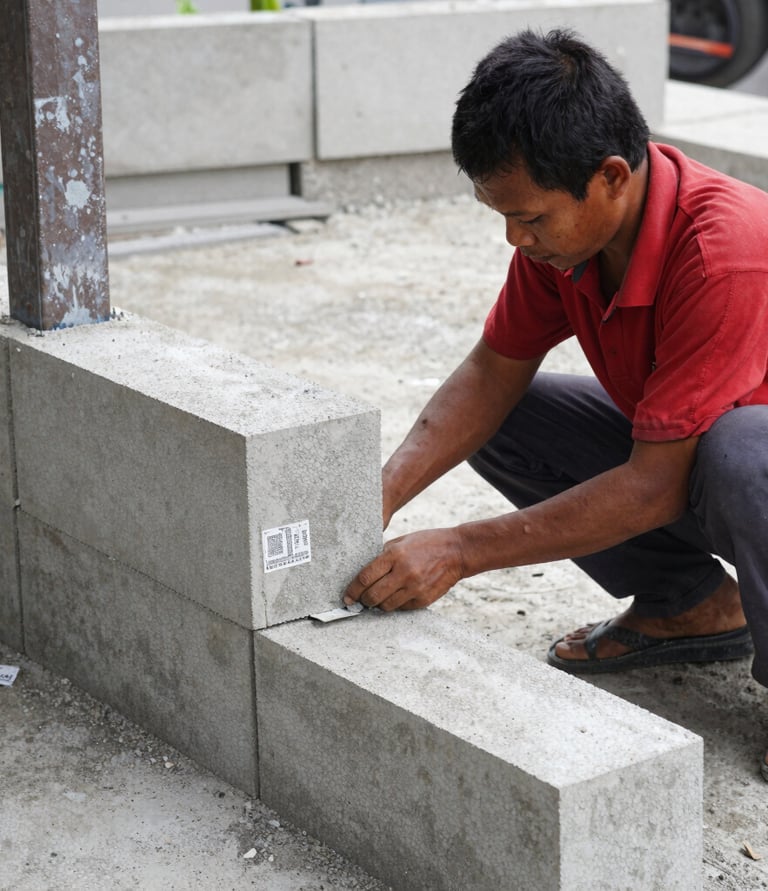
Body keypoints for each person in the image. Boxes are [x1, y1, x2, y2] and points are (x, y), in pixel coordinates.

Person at [342, 27, 768, 780]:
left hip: (743, 472)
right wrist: (374, 495)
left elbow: (655, 485)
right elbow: (490, 375)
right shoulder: (570, 243)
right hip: (702, 473)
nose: (516, 238)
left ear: (610, 177)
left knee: (741, 452)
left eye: (531, 218)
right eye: (503, 216)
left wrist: (459, 549)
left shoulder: (723, 253)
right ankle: (691, 604)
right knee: (513, 416)